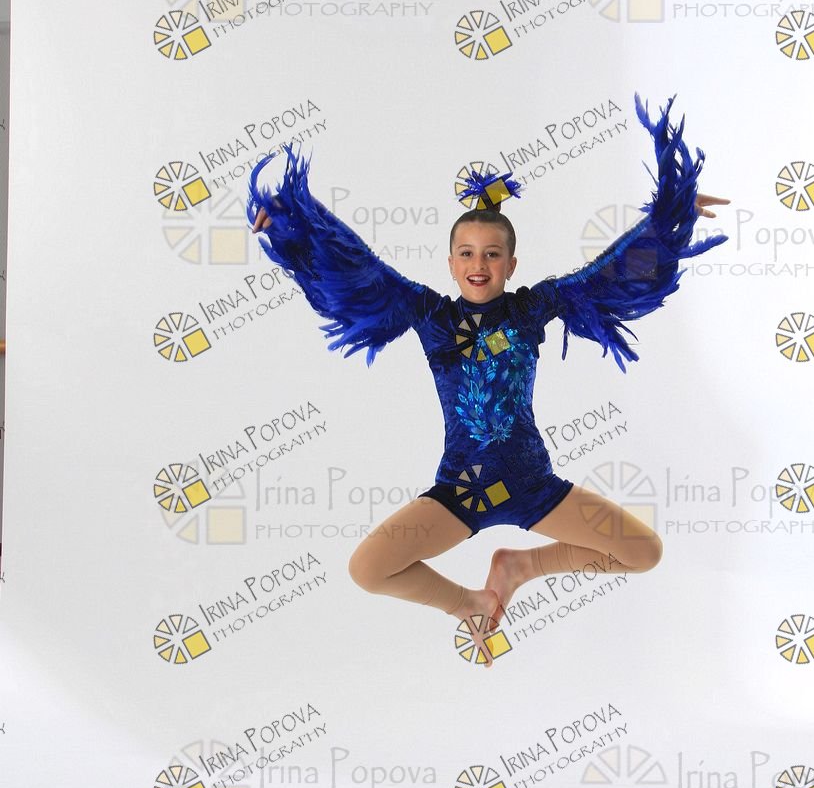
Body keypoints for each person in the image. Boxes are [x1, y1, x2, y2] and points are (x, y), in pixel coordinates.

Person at [247, 93, 728, 666]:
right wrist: (294, 224)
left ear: (511, 264)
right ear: (451, 262)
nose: (480, 265)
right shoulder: (429, 314)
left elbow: (611, 272)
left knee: (644, 552)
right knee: (368, 568)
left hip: (533, 486)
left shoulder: (532, 308)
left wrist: (670, 219)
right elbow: (355, 266)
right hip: (462, 492)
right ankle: (471, 603)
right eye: (468, 253)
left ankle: (520, 565)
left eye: (493, 254)